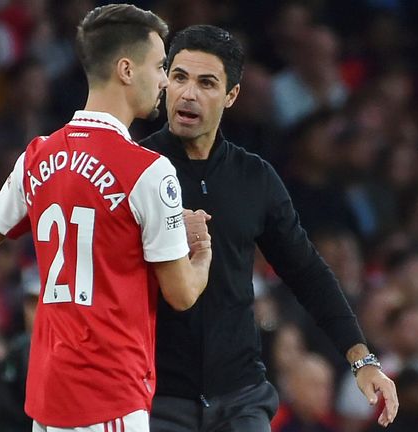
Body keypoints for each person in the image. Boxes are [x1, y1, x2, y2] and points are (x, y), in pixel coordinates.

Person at [0, 4, 213, 432]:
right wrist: (201, 252)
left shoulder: (38, 154)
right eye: (160, 66)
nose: (166, 80)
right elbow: (182, 293)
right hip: (107, 397)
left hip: (49, 397)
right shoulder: (148, 171)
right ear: (127, 70)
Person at [141, 24, 398, 431]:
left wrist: (362, 360)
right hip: (157, 399)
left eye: (206, 82)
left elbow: (308, 272)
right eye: (179, 77)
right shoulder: (135, 169)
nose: (188, 93)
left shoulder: (254, 178)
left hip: (241, 398)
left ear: (231, 95)